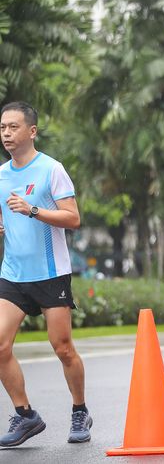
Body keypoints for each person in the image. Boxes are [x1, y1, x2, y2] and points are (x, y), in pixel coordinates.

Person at [0, 102, 91, 446]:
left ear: (32, 131)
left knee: (63, 348)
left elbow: (73, 218)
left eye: (13, 127)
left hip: (51, 273)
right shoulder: (1, 174)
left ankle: (80, 410)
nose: (6, 133)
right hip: (13, 273)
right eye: (2, 127)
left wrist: (33, 210)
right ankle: (26, 415)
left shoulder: (52, 169)